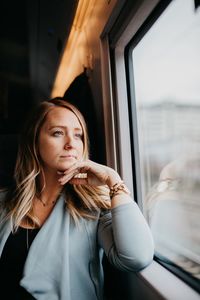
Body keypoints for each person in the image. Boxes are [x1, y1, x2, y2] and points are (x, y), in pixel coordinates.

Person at [0, 98, 154, 300]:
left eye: (78, 135)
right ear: (34, 141)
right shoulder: (4, 202)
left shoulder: (93, 207)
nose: (71, 143)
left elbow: (136, 258)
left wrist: (113, 180)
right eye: (57, 133)